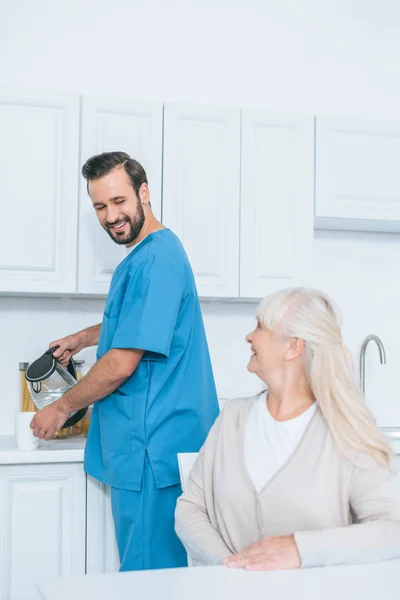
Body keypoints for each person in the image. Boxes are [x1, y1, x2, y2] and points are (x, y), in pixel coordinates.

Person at [30, 151, 219, 571]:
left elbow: (121, 362)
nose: (111, 215)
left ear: (144, 193)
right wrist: (84, 337)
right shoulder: (152, 253)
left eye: (119, 201)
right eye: (100, 206)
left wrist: (62, 407)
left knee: (148, 578)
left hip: (153, 448)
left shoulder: (156, 258)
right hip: (152, 446)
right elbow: (141, 322)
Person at [175, 287, 400, 570]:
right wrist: (228, 566)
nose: (249, 336)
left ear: (293, 347)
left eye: (260, 326)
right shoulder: (232, 417)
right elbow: (190, 508)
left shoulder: (344, 430)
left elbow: (393, 530)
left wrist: (300, 548)